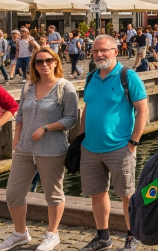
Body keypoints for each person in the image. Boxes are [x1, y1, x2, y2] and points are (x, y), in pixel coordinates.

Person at [78, 35, 149, 251]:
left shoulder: (128, 76)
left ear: (115, 51)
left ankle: (132, 235)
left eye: (104, 50)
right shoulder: (91, 77)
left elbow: (142, 109)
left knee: (127, 195)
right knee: (97, 194)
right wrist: (82, 137)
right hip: (90, 148)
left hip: (120, 147)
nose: (99, 54)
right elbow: (88, 107)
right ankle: (103, 237)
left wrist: (134, 141)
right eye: (95, 51)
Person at [1, 48, 77, 251]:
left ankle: (53, 234)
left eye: (48, 60)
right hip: (25, 148)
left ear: (55, 62)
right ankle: (20, 233)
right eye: (38, 61)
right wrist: (17, 137)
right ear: (33, 65)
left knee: (53, 194)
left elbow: (71, 119)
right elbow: (21, 116)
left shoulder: (65, 87)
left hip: (52, 148)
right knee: (13, 193)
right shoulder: (29, 86)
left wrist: (46, 127)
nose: (44, 64)